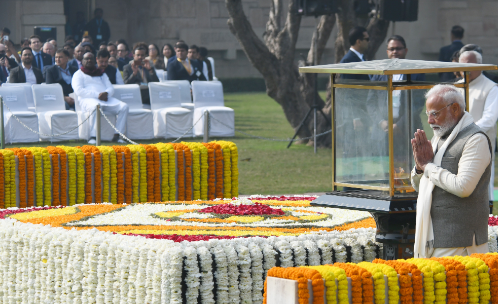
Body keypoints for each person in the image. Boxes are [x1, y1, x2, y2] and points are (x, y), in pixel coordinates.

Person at [411, 84, 491, 258]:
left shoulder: (475, 139)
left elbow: (463, 187)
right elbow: (419, 185)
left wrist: (427, 166)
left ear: (454, 109)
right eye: (428, 114)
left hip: (461, 242)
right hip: (433, 238)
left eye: (435, 114)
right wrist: (419, 167)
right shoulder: (439, 137)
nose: (430, 120)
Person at [368, 35, 426, 172]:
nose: (395, 52)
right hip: (383, 129)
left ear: (405, 50)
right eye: (391, 49)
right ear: (387, 52)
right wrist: (381, 122)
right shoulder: (378, 73)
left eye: (398, 49)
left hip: (407, 128)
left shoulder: (416, 73)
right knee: (385, 169)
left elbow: (417, 103)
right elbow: (371, 102)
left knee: (409, 167)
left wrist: (399, 124)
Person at [458, 50, 498, 204]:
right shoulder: (455, 86)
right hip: (456, 144)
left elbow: (489, 119)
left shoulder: (491, 87)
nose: (466, 68)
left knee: (481, 180)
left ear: (480, 65)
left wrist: (465, 133)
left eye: (470, 64)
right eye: (462, 65)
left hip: (480, 143)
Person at [72, 53, 129, 144]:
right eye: (86, 59)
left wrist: (106, 93)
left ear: (95, 60)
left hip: (105, 99)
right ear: (82, 61)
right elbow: (79, 91)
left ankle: (118, 135)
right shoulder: (78, 74)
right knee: (96, 106)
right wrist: (97, 95)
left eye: (91, 59)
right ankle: (93, 136)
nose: (89, 60)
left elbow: (110, 88)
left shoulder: (101, 73)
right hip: (88, 99)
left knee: (124, 107)